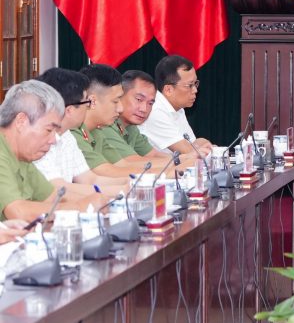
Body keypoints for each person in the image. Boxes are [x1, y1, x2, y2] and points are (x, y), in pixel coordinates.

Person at [0, 80, 105, 223]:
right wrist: (80, 207)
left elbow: (53, 197)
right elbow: (18, 212)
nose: (53, 140)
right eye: (49, 130)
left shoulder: (23, 156)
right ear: (21, 121)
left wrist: (102, 201)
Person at [33, 68, 127, 195]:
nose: (89, 106)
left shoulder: (67, 135)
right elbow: (59, 189)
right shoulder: (38, 140)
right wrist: (120, 190)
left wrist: (130, 182)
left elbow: (89, 179)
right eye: (86, 102)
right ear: (69, 110)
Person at [96, 70, 195, 169]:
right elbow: (130, 161)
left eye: (150, 103)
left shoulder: (131, 127)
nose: (144, 109)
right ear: (120, 95)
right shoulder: (106, 124)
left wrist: (186, 159)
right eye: (139, 99)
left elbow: (153, 154)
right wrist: (182, 160)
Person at [139, 55, 214, 157]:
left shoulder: (177, 107)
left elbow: (193, 143)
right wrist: (203, 146)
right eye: (189, 85)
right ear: (168, 90)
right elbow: (190, 153)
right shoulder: (155, 110)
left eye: (195, 83)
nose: (195, 90)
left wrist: (202, 142)